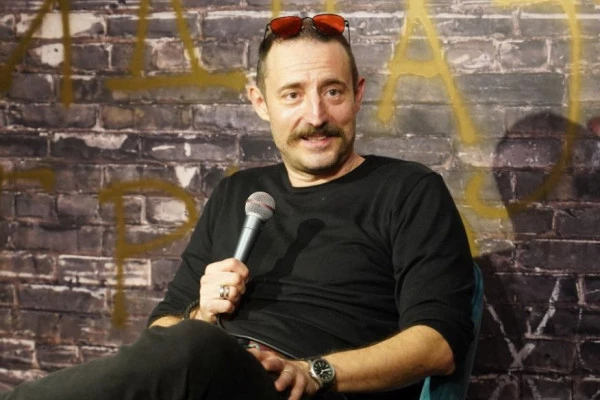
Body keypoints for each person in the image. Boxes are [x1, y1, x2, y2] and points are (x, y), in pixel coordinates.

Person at [0, 13, 474, 400]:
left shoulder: (409, 190)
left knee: (193, 347)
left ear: (358, 94)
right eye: (293, 94)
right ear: (260, 103)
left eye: (333, 91)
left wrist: (314, 372)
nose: (316, 116)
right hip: (210, 372)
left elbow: (438, 344)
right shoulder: (239, 193)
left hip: (310, 389)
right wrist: (202, 313)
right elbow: (163, 329)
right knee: (189, 341)